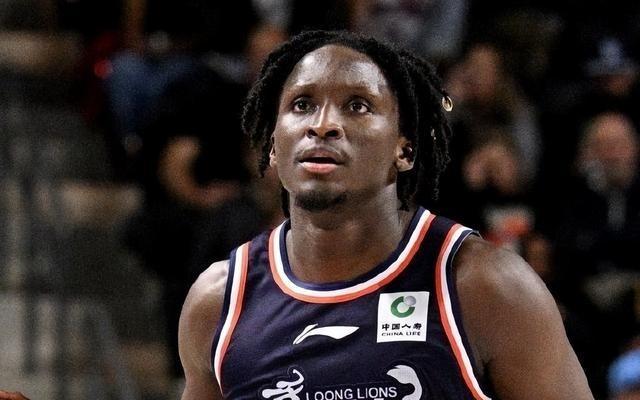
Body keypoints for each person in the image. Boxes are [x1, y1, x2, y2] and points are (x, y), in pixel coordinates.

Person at [178, 30, 594, 399]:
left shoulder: (485, 286)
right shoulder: (219, 301)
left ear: (405, 150)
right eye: (302, 105)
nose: (323, 125)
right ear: (273, 146)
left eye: (357, 106)